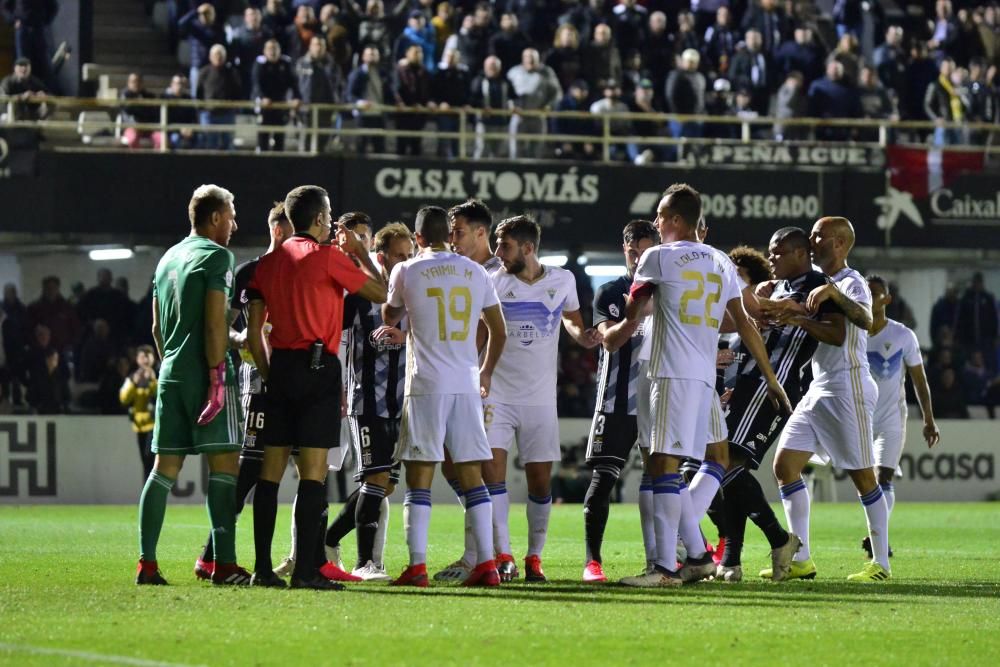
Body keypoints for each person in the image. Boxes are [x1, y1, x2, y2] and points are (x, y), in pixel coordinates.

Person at [619, 183, 790, 588]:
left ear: (676, 220)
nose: (656, 223)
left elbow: (634, 304)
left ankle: (664, 568)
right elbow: (745, 322)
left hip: (670, 371)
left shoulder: (656, 257)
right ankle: (696, 554)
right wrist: (771, 378)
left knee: (662, 465)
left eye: (660, 216)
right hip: (703, 375)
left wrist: (635, 307)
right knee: (716, 456)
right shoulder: (720, 261)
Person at [246, 185, 386, 590]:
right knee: (312, 474)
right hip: (318, 366)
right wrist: (359, 251)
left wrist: (271, 376)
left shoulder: (267, 264)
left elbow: (255, 334)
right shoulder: (327, 258)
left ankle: (262, 569)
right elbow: (380, 293)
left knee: (270, 474)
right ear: (322, 218)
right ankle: (307, 571)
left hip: (281, 368)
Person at [759, 216, 892, 583]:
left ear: (837, 243)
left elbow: (865, 321)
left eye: (818, 235)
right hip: (819, 387)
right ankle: (801, 557)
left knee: (863, 477)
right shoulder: (814, 282)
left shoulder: (851, 282)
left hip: (848, 386)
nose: (812, 239)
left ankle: (881, 563)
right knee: (785, 466)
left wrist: (835, 296)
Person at [382, 206, 507, 588]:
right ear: (449, 236)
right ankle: (487, 565)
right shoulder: (476, 271)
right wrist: (483, 370)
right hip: (466, 384)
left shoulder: (407, 270)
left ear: (418, 238)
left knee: (419, 479)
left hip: (427, 385)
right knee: (473, 478)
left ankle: (417, 567)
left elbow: (389, 316)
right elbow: (499, 332)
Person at [136, 184, 250, 586]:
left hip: (171, 373)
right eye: (231, 216)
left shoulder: (167, 259)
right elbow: (216, 322)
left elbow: (155, 326)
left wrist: (174, 362)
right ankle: (225, 565)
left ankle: (147, 564)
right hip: (207, 375)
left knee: (163, 471)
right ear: (216, 217)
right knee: (224, 469)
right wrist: (218, 375)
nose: (235, 224)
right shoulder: (218, 257)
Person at [715, 227, 842, 582]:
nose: (771, 259)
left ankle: (777, 541)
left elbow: (829, 328)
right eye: (770, 252)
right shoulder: (775, 287)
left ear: (800, 253)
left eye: (778, 252)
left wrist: (780, 308)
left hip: (774, 385)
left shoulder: (817, 286)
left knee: (725, 465)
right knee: (725, 467)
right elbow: (753, 313)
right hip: (747, 382)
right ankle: (733, 560)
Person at [483, 215, 602, 582]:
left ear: (529, 248)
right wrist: (479, 373)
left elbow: (570, 318)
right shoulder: (492, 281)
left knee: (539, 482)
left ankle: (534, 556)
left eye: (505, 245)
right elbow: (479, 330)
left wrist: (582, 336)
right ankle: (503, 555)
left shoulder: (561, 280)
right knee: (494, 480)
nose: (497, 252)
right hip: (497, 395)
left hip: (539, 399)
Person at [193, 202, 298, 582]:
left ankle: (305, 559)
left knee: (286, 471)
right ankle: (212, 554)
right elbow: (226, 325)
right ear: (278, 230)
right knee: (249, 470)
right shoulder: (249, 273)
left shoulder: (296, 271)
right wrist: (245, 340)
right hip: (256, 382)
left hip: (289, 382)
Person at [327, 222, 415, 581]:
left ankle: (328, 539)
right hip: (365, 400)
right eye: (399, 256)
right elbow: (335, 341)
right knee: (376, 477)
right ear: (381, 256)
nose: (406, 262)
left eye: (410, 255)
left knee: (385, 484)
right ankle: (366, 563)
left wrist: (405, 336)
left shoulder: (412, 295)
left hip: (401, 400)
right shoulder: (358, 297)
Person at [580, 220, 658, 583]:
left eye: (645, 250)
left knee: (669, 478)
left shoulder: (670, 289)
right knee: (603, 478)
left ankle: (674, 559)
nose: (639, 257)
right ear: (624, 250)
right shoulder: (611, 291)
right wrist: (637, 312)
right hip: (616, 399)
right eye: (633, 251)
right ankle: (592, 562)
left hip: (660, 397)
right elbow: (609, 341)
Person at [864, 274, 940, 559]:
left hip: (892, 419)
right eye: (866, 292)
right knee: (868, 482)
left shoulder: (902, 335)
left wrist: (929, 420)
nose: (870, 297)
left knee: (883, 476)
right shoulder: (851, 332)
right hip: (858, 418)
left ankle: (878, 541)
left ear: (887, 299)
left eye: (875, 292)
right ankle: (877, 535)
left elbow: (919, 381)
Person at [252, 39, 301, 152]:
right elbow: (256, 84)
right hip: (264, 106)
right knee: (263, 137)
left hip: (280, 105)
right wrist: (262, 98)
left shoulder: (286, 64)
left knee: (280, 137)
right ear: (264, 51)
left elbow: (294, 83)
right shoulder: (260, 64)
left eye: (275, 49)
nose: (272, 52)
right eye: (269, 49)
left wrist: (297, 98)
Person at [120, 344, 159, 480]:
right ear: (137, 359)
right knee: (146, 461)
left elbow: (161, 396)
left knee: (150, 459)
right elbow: (124, 399)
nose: (146, 360)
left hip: (155, 425)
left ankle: (149, 494)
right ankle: (147, 494)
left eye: (148, 357)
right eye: (143, 357)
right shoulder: (132, 378)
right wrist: (133, 384)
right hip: (139, 425)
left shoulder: (159, 373)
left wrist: (153, 380)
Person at [0, 57, 48, 121]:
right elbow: (4, 99)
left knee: (46, 105)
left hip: (28, 115)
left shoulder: (34, 81)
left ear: (30, 68)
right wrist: (21, 97)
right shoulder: (7, 81)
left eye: (26, 66)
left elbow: (48, 93)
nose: (23, 68)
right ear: (15, 68)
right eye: (20, 66)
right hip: (7, 113)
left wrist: (42, 95)